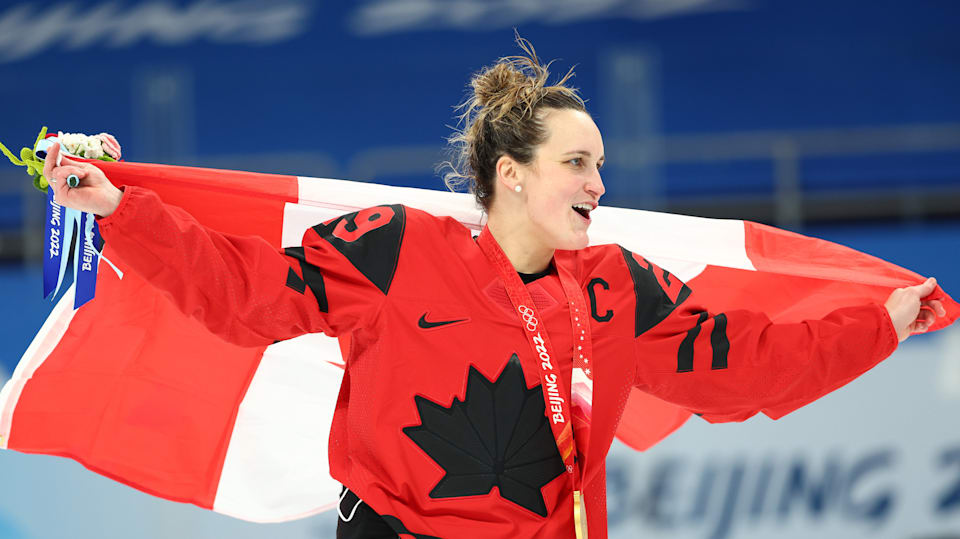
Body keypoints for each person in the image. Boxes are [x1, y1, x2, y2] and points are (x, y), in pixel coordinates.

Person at [42, 38, 946, 539]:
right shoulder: (395, 251)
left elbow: (742, 368)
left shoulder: (619, 286)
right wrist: (124, 207)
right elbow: (241, 293)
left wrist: (877, 322)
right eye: (578, 163)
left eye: (602, 163)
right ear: (511, 174)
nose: (599, 182)